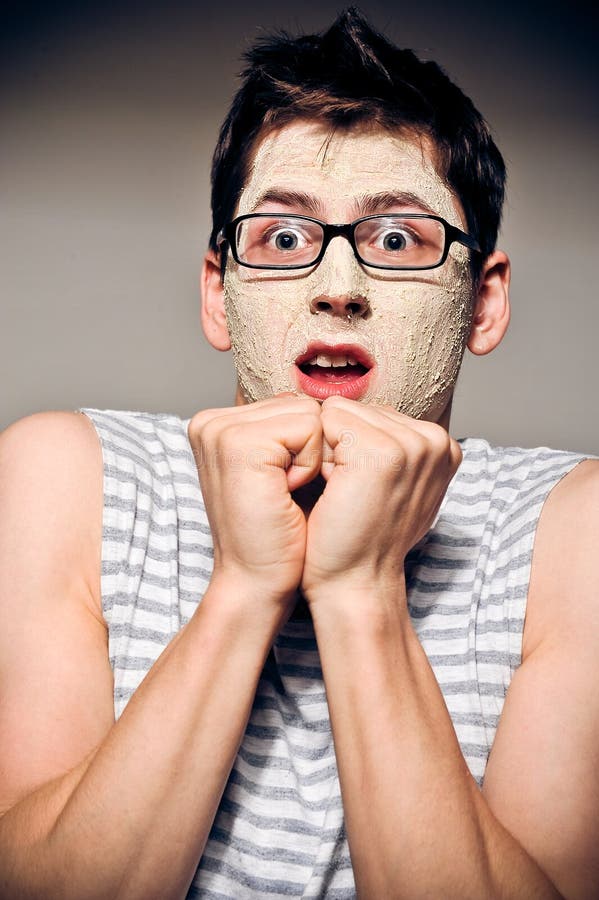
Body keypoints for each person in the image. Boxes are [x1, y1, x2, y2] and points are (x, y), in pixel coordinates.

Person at [0, 7, 597, 898]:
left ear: (482, 304)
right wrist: (245, 582)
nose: (337, 287)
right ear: (218, 292)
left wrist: (360, 590)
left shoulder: (571, 530)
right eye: (284, 237)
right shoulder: (67, 477)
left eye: (397, 239)